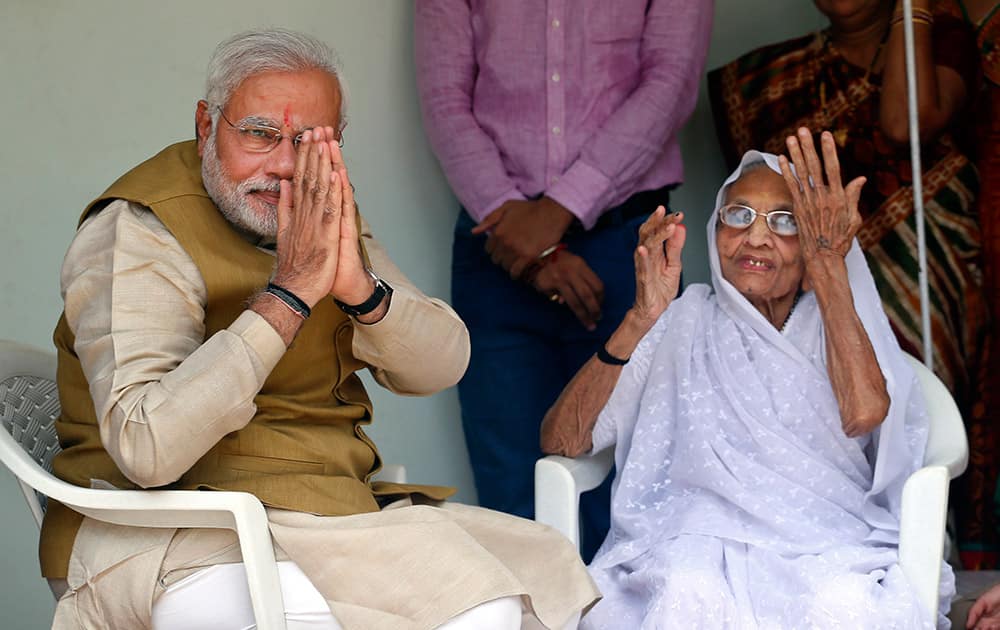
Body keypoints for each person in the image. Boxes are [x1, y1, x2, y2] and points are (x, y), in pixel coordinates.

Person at [39, 28, 598, 630]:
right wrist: (291, 294)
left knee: (543, 570)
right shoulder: (142, 228)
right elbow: (148, 450)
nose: (283, 165)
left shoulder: (321, 207)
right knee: (477, 610)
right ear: (206, 125)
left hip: (320, 509)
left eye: (307, 141)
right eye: (259, 133)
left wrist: (360, 289)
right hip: (174, 531)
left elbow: (442, 365)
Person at [541, 128, 954, 628]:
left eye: (785, 222)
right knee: (685, 594)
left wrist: (827, 268)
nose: (756, 237)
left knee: (845, 606)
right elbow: (562, 440)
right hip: (686, 542)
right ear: (716, 232)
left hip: (824, 543)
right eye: (739, 216)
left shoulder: (837, 324)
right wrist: (640, 318)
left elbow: (865, 412)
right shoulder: (679, 320)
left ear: (809, 241)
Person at [413, 0, 714, 560]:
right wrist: (526, 242)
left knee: (632, 487)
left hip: (630, 242)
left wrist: (558, 214)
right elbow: (444, 100)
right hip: (495, 247)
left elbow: (669, 84)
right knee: (513, 498)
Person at [708, 0, 994, 570]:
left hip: (928, 263)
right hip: (813, 287)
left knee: (918, 428)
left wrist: (911, 11)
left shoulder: (943, 38)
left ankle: (940, 559)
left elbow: (903, 123)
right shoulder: (768, 77)